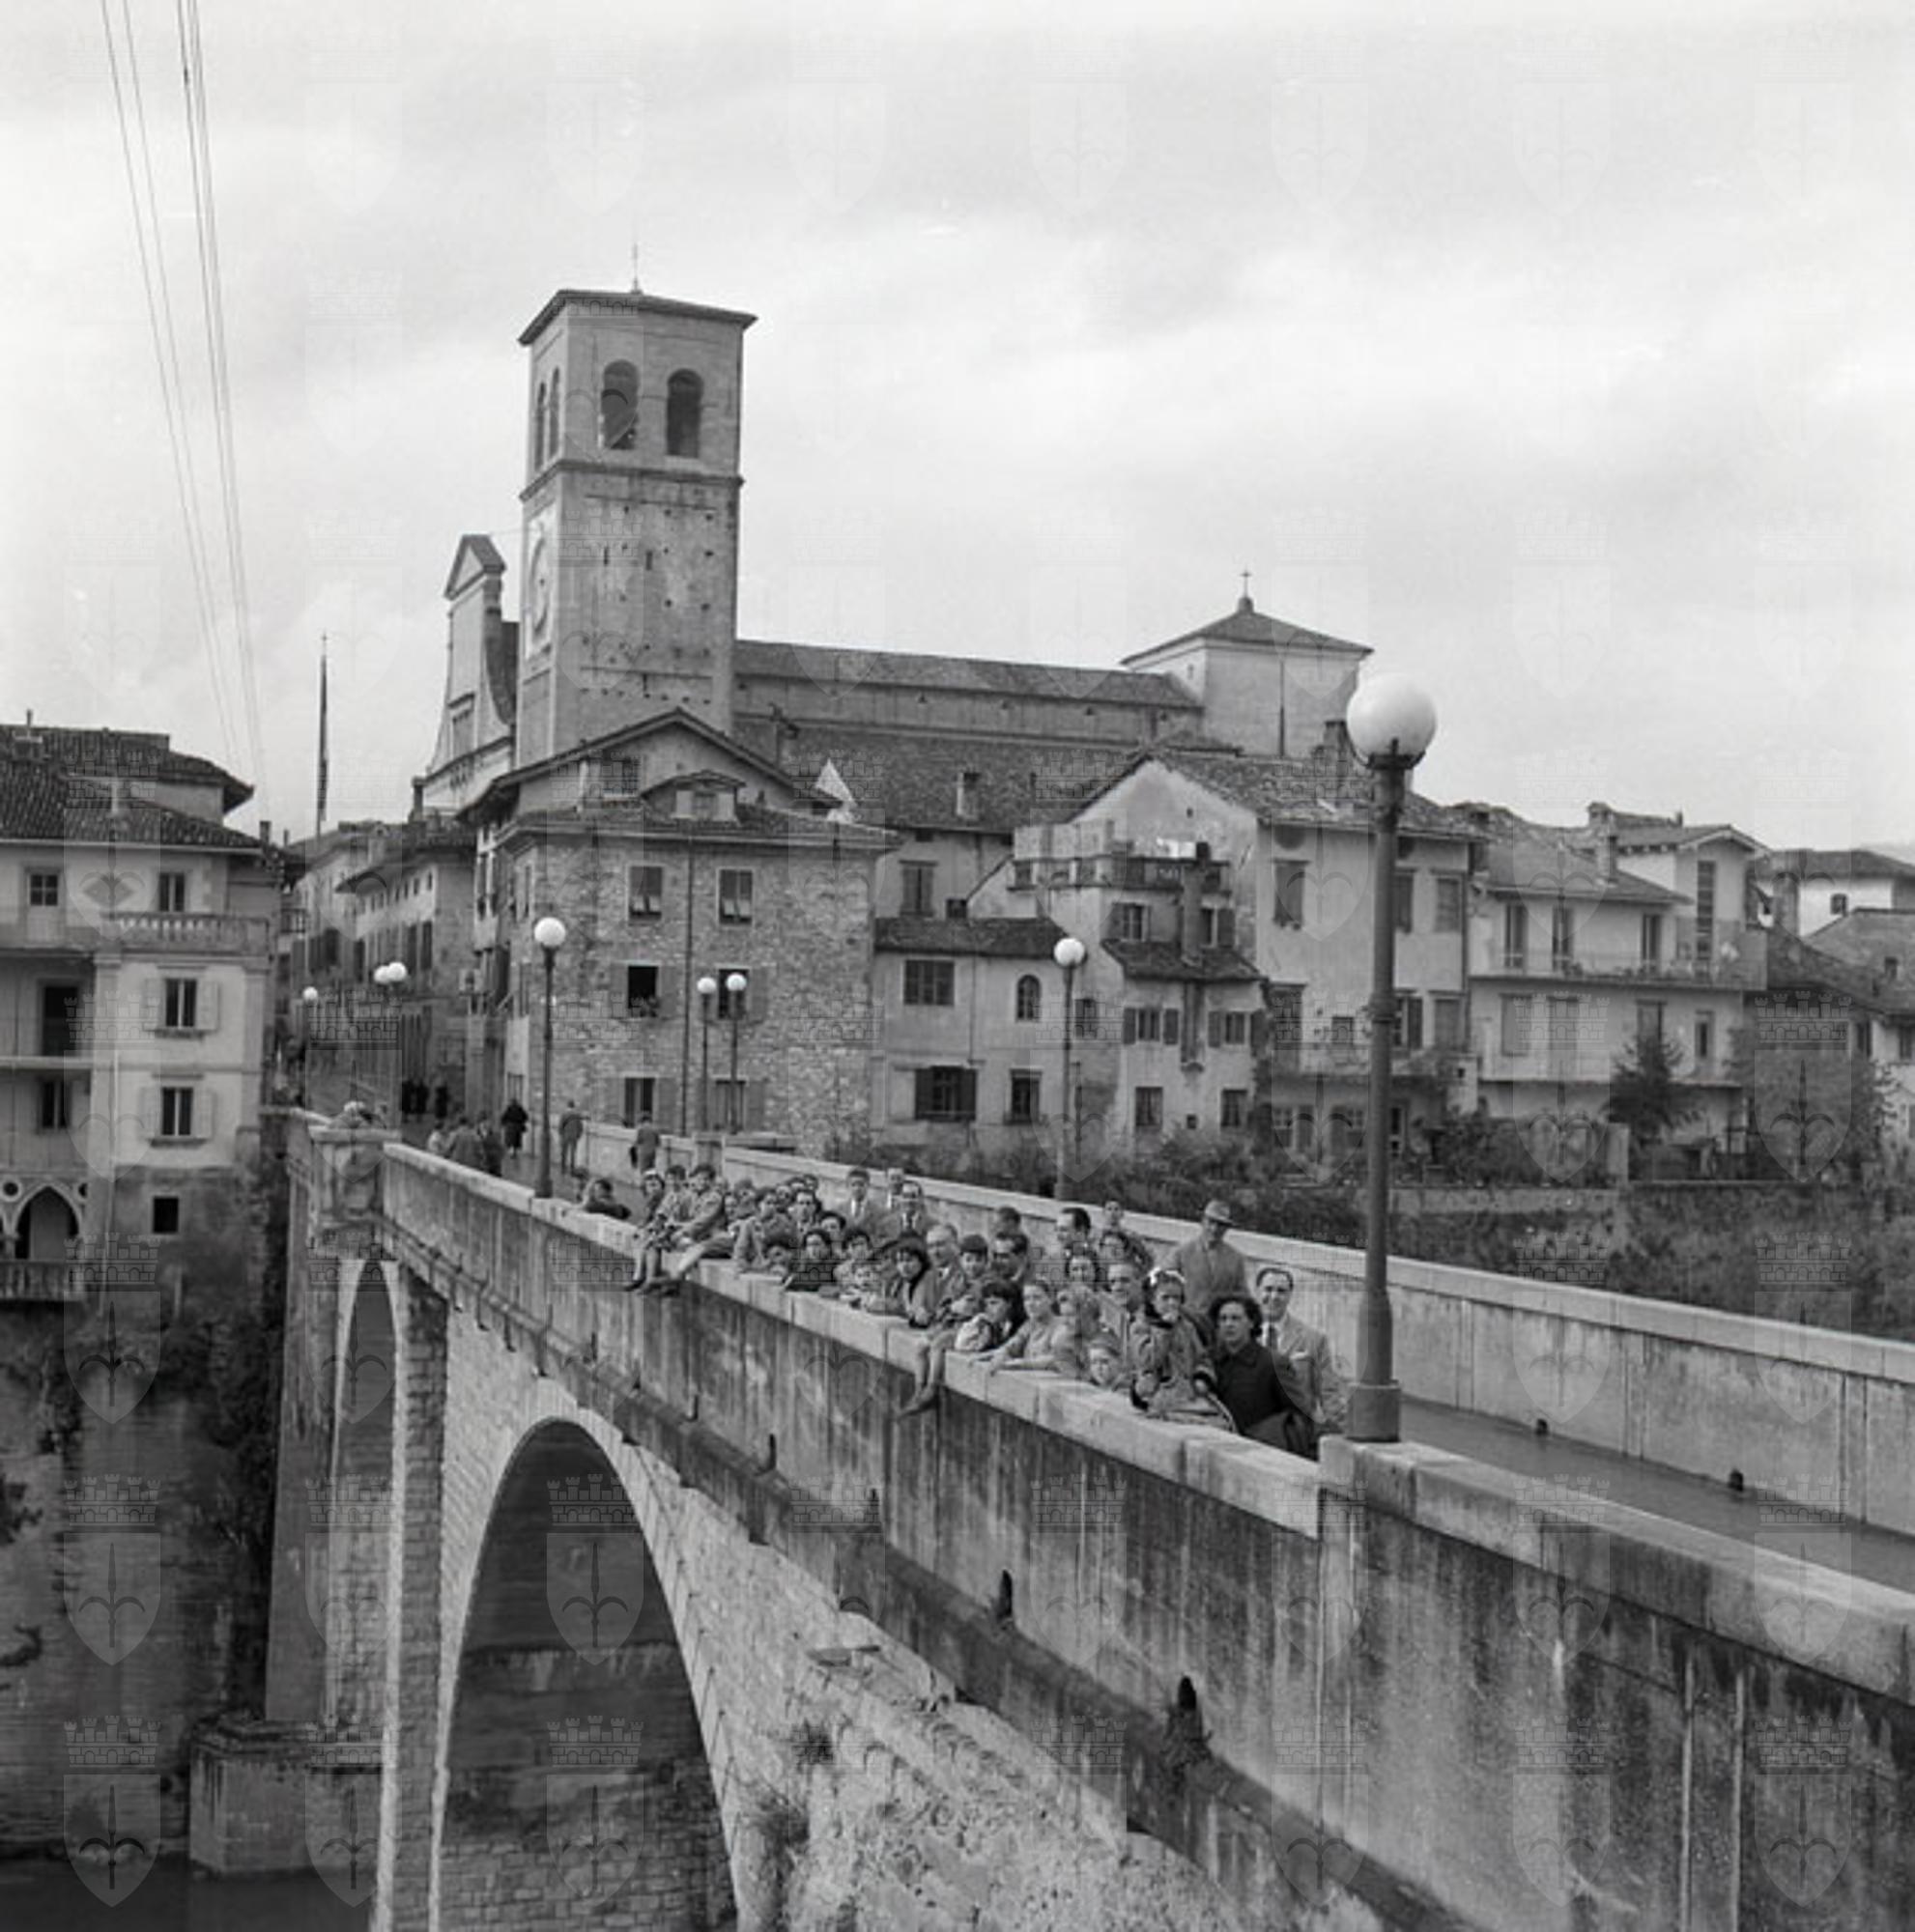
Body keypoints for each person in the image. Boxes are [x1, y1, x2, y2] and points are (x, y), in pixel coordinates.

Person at [1209, 1293, 1316, 1457]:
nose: (1228, 1324)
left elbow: (1301, 1414)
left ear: (1251, 1323)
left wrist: (1268, 1434)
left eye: (1236, 1318)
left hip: (1263, 1453)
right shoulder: (1211, 1361)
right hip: (1218, 1450)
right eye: (1223, 1319)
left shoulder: (1273, 1363)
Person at [1256, 1265, 1348, 1436]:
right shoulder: (1241, 1336)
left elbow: (1329, 1394)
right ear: (1257, 1291)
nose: (1274, 1296)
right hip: (1251, 1430)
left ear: (1290, 1295)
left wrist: (1340, 1434)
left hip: (1296, 1433)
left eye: (1281, 1291)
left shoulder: (1314, 1340)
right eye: (1268, 1289)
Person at [1171, 1199, 1248, 1331]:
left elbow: (1242, 1296)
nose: (1215, 1229)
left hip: (1218, 1328)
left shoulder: (1236, 1259)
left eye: (1221, 1225)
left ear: (1227, 1228)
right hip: (1185, 1326)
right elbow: (1166, 1288)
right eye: (1211, 1222)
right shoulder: (1181, 1252)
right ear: (1202, 1222)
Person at [557, 1100, 586, 1179]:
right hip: (574, 1136)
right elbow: (580, 1127)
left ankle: (563, 1168)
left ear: (567, 1106)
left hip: (565, 1136)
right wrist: (578, 1135)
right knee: (573, 1153)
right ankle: (572, 1170)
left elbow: (560, 1126)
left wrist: (561, 1134)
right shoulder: (576, 1115)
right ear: (573, 1106)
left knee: (564, 1153)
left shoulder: (564, 1114)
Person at [500, 1097, 529, 1164]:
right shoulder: (519, 1108)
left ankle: (512, 1152)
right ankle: (514, 1152)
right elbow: (525, 1117)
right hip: (517, 1127)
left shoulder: (509, 1109)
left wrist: (503, 1123)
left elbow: (503, 1117)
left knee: (510, 1141)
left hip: (510, 1127)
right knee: (515, 1141)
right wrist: (521, 1121)